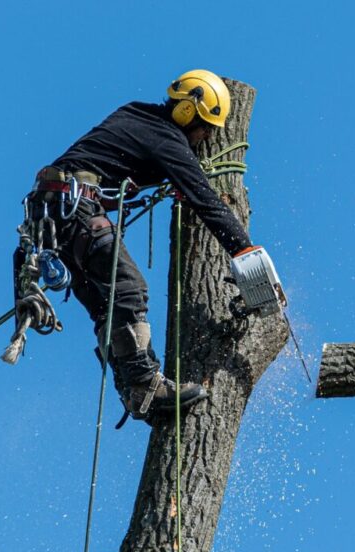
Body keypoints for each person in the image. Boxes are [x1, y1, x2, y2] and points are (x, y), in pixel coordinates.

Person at [20, 69, 266, 422]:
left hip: (53, 215)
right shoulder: (167, 139)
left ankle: (134, 391)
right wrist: (246, 252)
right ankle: (145, 383)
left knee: (109, 306)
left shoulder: (136, 113)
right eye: (206, 129)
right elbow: (207, 201)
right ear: (187, 114)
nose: (204, 138)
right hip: (74, 210)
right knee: (129, 289)